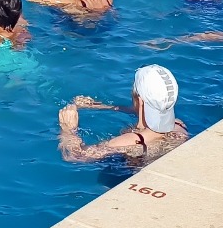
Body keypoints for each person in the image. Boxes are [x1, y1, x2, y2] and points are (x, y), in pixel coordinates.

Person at [56, 66, 188, 164]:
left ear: (140, 100)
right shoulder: (179, 126)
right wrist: (98, 106)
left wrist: (68, 130)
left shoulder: (125, 142)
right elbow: (141, 110)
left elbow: (75, 157)